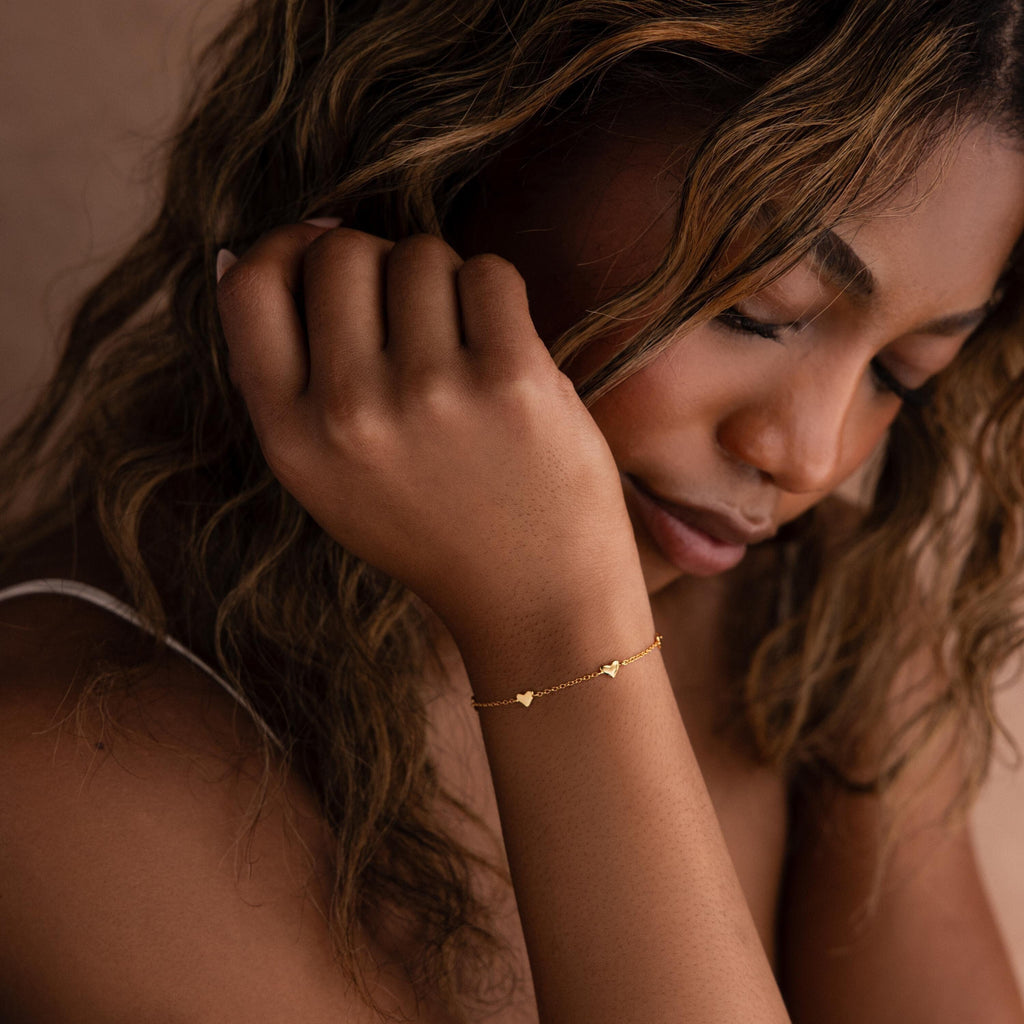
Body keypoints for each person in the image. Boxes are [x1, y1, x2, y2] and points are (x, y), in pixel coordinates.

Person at [1, 0, 1023, 1020]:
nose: (807, 454)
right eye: (759, 310)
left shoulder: (814, 638)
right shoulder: (60, 762)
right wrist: (556, 629)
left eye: (903, 372)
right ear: (466, 134)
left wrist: (562, 619)